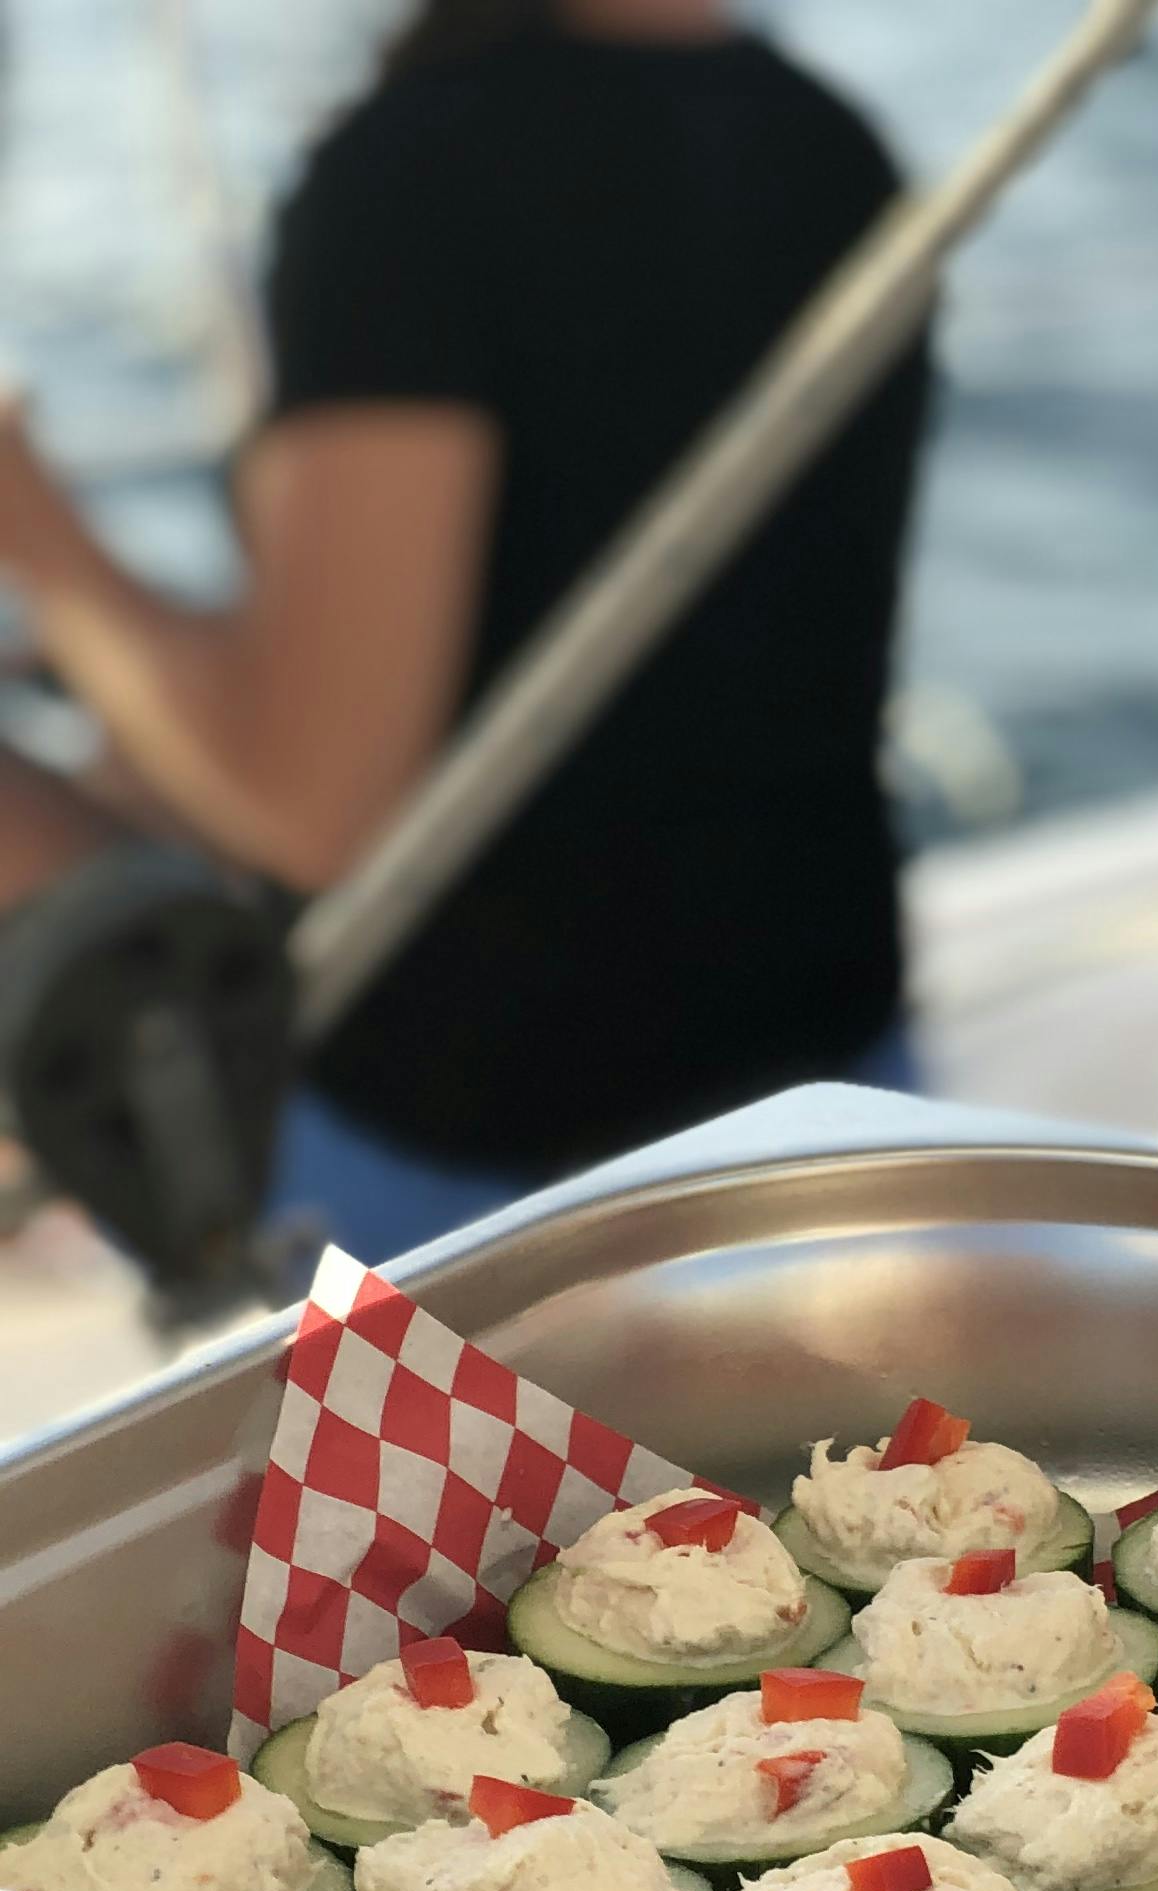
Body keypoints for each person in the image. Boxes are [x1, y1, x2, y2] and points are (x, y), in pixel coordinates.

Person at [0, 0, 929, 1261]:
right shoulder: (834, 145)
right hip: (836, 1102)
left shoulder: (411, 180)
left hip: (473, 1192)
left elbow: (316, 809)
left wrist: (38, 530)